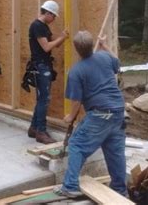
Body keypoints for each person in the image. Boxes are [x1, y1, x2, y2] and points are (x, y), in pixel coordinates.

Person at [54, 31, 126, 198]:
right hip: (118, 112)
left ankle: (70, 186)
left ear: (76, 49)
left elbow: (76, 101)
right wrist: (104, 45)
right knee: (115, 151)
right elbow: (117, 63)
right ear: (92, 44)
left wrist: (70, 117)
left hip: (100, 114)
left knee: (76, 144)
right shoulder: (104, 57)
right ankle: (120, 191)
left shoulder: (76, 71)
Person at [28, 0, 69, 144]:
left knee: (42, 99)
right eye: (54, 16)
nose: (55, 19)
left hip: (44, 66)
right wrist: (62, 37)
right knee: (44, 100)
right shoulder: (37, 26)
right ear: (47, 13)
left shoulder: (44, 27)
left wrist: (62, 39)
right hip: (40, 66)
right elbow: (46, 47)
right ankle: (41, 131)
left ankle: (34, 128)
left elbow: (52, 46)